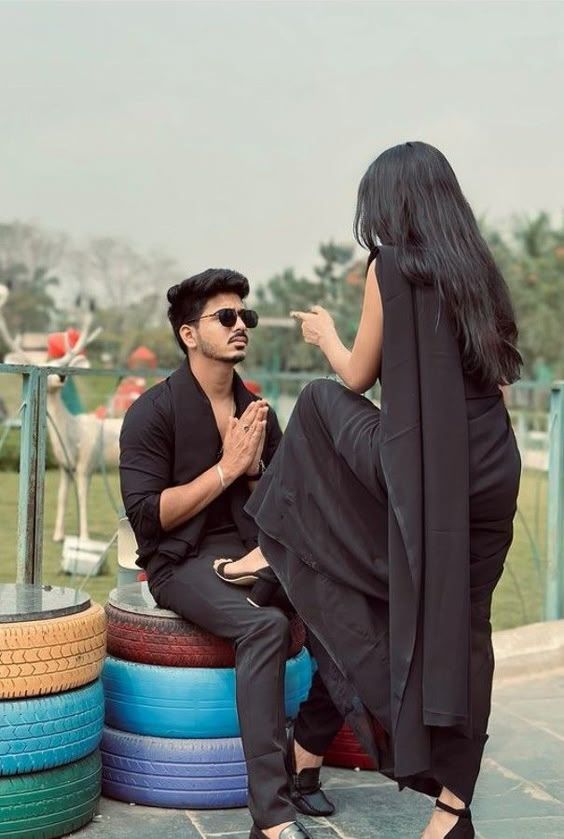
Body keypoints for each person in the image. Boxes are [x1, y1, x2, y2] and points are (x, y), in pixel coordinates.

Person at [221, 143, 522, 839]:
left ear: (390, 203)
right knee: (470, 629)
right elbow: (496, 376)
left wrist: (328, 333)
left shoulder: (389, 266)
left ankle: (275, 541)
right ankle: (452, 809)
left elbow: (358, 376)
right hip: (488, 472)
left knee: (323, 404)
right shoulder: (478, 270)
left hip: (419, 472)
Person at [119, 268, 343, 839]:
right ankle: (270, 819)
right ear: (190, 334)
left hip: (256, 553)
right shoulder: (154, 411)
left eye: (247, 316)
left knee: (348, 605)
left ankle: (307, 760)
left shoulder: (256, 412)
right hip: (181, 562)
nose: (241, 324)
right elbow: (148, 516)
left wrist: (256, 469)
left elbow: (287, 500)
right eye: (226, 316)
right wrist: (225, 469)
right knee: (265, 627)